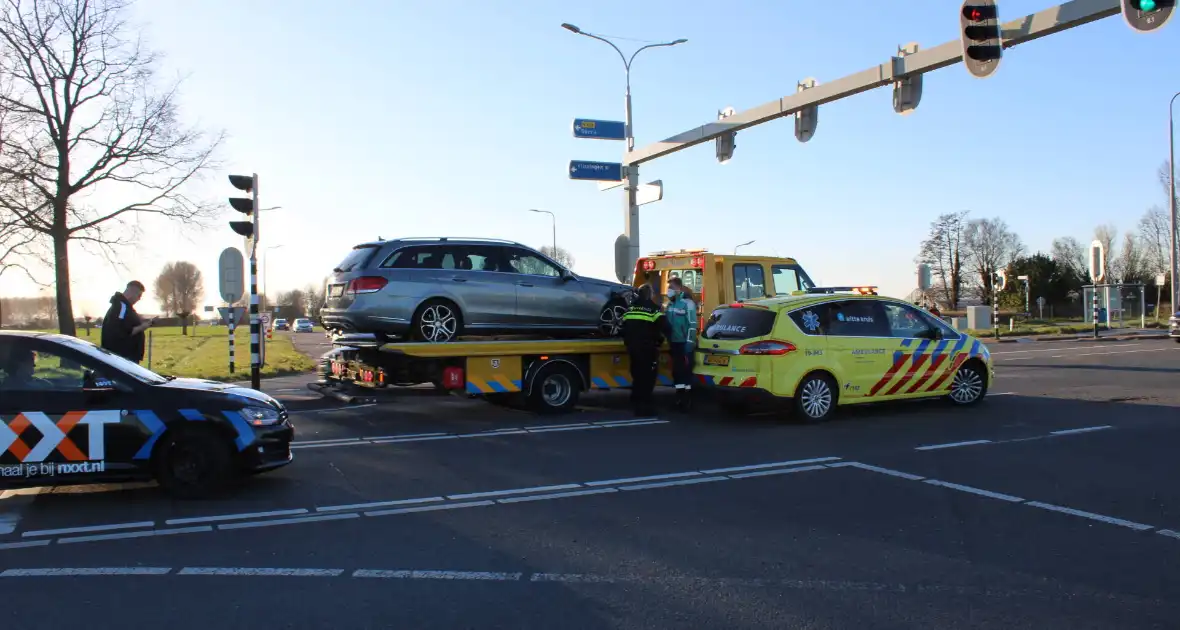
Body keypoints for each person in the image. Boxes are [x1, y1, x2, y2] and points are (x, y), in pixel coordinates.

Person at [621, 283, 667, 416]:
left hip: (632, 348)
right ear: (650, 294)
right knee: (647, 378)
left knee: (636, 375)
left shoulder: (630, 309)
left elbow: (623, 327)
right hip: (647, 349)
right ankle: (644, 408)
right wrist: (661, 340)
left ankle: (635, 400)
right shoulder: (653, 309)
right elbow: (664, 326)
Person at [663, 277, 698, 411]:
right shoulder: (670, 305)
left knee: (685, 372)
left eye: (671, 287)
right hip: (674, 343)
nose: (669, 291)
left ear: (678, 288)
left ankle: (687, 400)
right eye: (668, 288)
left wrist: (689, 343)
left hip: (684, 343)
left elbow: (692, 325)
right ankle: (679, 398)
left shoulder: (687, 304)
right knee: (677, 372)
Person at [101, 280, 155, 363]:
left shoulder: (125, 307)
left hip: (125, 357)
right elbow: (124, 331)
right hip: (122, 357)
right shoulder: (121, 307)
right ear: (131, 292)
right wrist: (143, 327)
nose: (139, 299)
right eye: (139, 295)